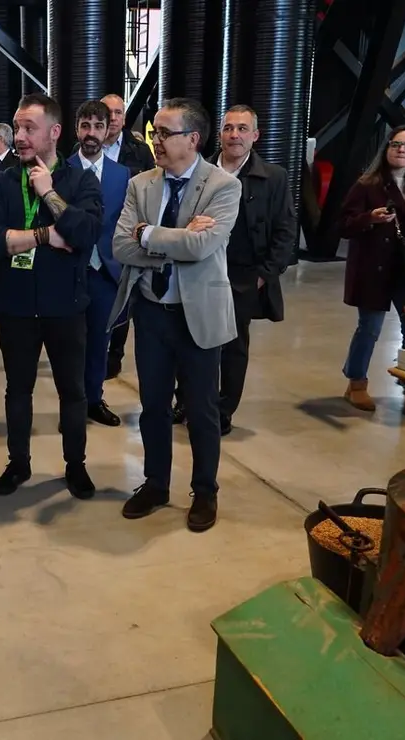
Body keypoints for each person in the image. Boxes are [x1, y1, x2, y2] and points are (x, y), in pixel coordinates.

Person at [109, 98, 241, 534]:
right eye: (154, 133)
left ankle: (204, 491)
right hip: (151, 312)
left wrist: (147, 233)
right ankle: (155, 483)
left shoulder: (223, 186)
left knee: (202, 410)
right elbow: (120, 248)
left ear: (193, 139)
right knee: (152, 406)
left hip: (198, 313)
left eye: (165, 133)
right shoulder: (140, 184)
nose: (156, 141)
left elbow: (203, 247)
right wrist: (174, 239)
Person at [0, 93, 104, 498]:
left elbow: (85, 234)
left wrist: (49, 193)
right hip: (15, 307)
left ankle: (76, 466)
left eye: (30, 128)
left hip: (66, 307)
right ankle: (19, 464)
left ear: (54, 132)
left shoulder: (80, 180)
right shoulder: (1, 181)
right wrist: (46, 235)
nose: (20, 136)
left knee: (73, 391)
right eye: (17, 128)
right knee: (18, 391)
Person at [339, 125, 405, 422]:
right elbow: (344, 224)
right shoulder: (367, 185)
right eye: (396, 144)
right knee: (369, 328)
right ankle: (356, 383)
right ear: (386, 149)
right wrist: (369, 218)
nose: (401, 150)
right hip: (374, 268)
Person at [210, 105, 297, 435]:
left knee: (233, 346)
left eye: (242, 129)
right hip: (200, 271)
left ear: (255, 135)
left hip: (245, 276)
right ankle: (187, 400)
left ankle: (223, 409)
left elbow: (286, 229)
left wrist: (265, 273)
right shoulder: (200, 171)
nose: (235, 135)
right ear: (220, 134)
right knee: (192, 340)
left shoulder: (273, 178)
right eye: (229, 128)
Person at [67, 99, 130, 427]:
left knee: (99, 343)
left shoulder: (123, 175)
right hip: (68, 272)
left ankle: (93, 398)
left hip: (106, 272)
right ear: (77, 128)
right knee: (69, 344)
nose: (91, 133)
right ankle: (72, 404)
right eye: (85, 125)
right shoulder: (61, 170)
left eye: (98, 126)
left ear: (108, 131)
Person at [100, 93, 157, 381]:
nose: (112, 118)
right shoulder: (85, 147)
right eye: (107, 112)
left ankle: (115, 355)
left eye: (118, 112)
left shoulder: (140, 151)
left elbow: (150, 191)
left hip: (127, 236)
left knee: (125, 297)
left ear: (124, 117)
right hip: (96, 236)